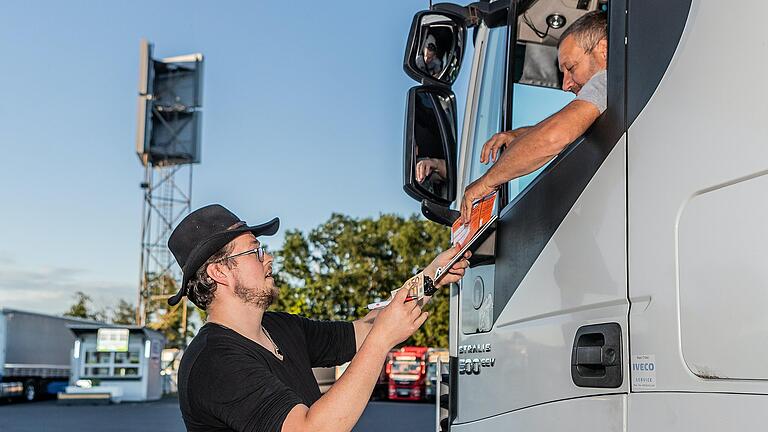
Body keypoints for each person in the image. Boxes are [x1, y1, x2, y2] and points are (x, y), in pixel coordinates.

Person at [167, 204, 469, 432]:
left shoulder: (281, 327)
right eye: (255, 251)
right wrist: (382, 342)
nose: (269, 258)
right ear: (219, 272)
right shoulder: (213, 362)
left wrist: (432, 276)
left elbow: (366, 327)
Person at [460, 11, 608, 223]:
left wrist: (486, 182)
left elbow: (554, 136)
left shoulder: (606, 79)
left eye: (571, 68)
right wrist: (521, 136)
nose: (566, 85)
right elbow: (569, 126)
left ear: (603, 49)